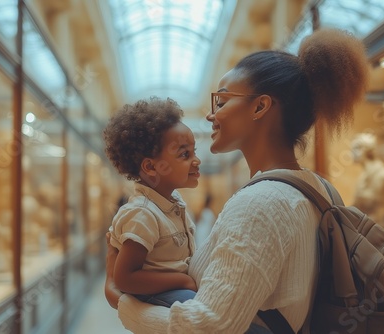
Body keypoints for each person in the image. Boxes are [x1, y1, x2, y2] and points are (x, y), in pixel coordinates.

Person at [105, 28, 369, 333]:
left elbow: (209, 327)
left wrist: (123, 303)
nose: (210, 115)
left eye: (222, 100)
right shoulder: (320, 188)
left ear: (259, 106)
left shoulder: (261, 204)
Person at [103, 97, 201, 308]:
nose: (196, 160)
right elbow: (125, 279)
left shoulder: (173, 204)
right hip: (162, 295)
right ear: (150, 167)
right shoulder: (143, 213)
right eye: (185, 154)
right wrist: (183, 280)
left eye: (194, 152)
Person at [350, 132, 384, 228]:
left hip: (375, 229)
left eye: (356, 148)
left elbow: (379, 205)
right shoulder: (363, 175)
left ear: (365, 150)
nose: (351, 152)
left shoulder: (381, 174)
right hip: (363, 227)